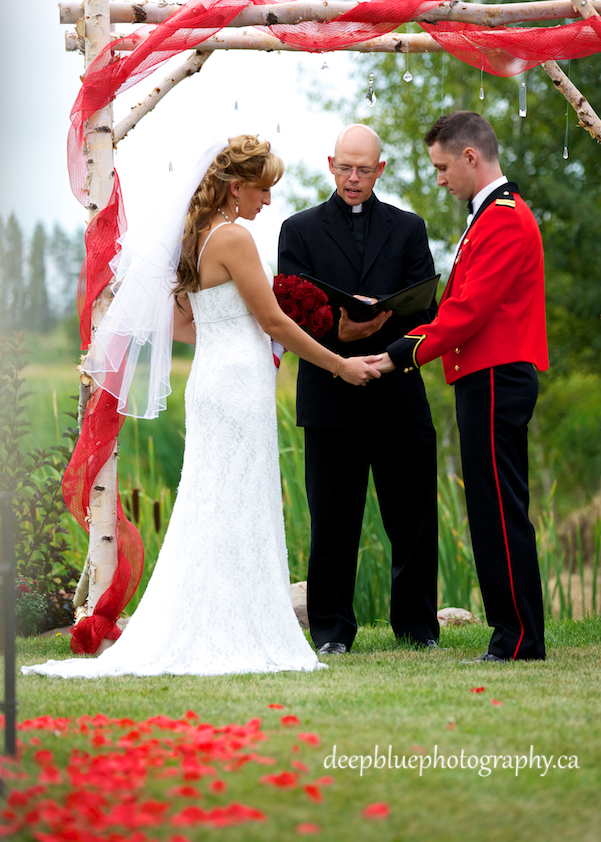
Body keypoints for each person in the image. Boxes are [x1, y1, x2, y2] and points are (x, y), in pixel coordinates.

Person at [23, 135, 380, 679]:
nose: (267, 203)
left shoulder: (195, 238)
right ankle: (236, 625)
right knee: (235, 499)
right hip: (239, 384)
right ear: (236, 188)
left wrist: (243, 335)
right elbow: (274, 321)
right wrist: (340, 364)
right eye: (262, 191)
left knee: (214, 499)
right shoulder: (233, 237)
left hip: (215, 378)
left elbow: (188, 325)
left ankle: (216, 617)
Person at [375, 111, 548, 663]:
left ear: (471, 158)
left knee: (498, 508)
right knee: (492, 506)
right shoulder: (490, 215)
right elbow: (457, 308)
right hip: (487, 376)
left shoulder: (502, 218)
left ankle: (517, 636)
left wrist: (406, 351)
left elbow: (468, 312)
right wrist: (406, 339)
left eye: (443, 167)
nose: (441, 179)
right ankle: (513, 632)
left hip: (496, 376)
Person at [278, 123, 440, 655]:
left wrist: (382, 343)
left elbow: (427, 310)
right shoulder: (297, 230)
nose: (353, 178)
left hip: (398, 392)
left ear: (381, 170)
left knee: (413, 518)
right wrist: (340, 334)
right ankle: (330, 632)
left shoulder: (410, 229)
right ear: (330, 165)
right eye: (345, 167)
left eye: (363, 169)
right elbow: (290, 312)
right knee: (332, 522)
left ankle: (417, 629)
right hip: (330, 395)